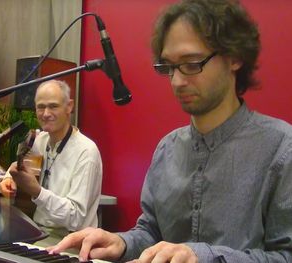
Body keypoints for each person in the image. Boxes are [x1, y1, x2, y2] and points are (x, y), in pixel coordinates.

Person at [47, 0, 292, 262]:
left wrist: (200, 256)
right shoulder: (168, 148)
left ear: (234, 58)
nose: (176, 81)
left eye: (191, 63)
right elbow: (150, 233)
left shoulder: (280, 147)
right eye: (169, 67)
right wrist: (122, 242)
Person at [0, 80, 103, 246]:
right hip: (38, 233)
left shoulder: (86, 152)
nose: (46, 113)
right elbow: (19, 167)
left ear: (69, 106)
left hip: (71, 242)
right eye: (41, 107)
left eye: (53, 106)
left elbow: (76, 218)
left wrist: (37, 192)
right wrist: (8, 179)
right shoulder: (40, 140)